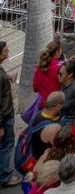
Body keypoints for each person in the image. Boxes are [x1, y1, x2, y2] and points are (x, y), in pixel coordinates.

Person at [0, 41, 15, 188]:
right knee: (6, 146)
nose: (8, 51)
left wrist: (8, 77)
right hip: (5, 118)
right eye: (5, 50)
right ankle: (5, 177)